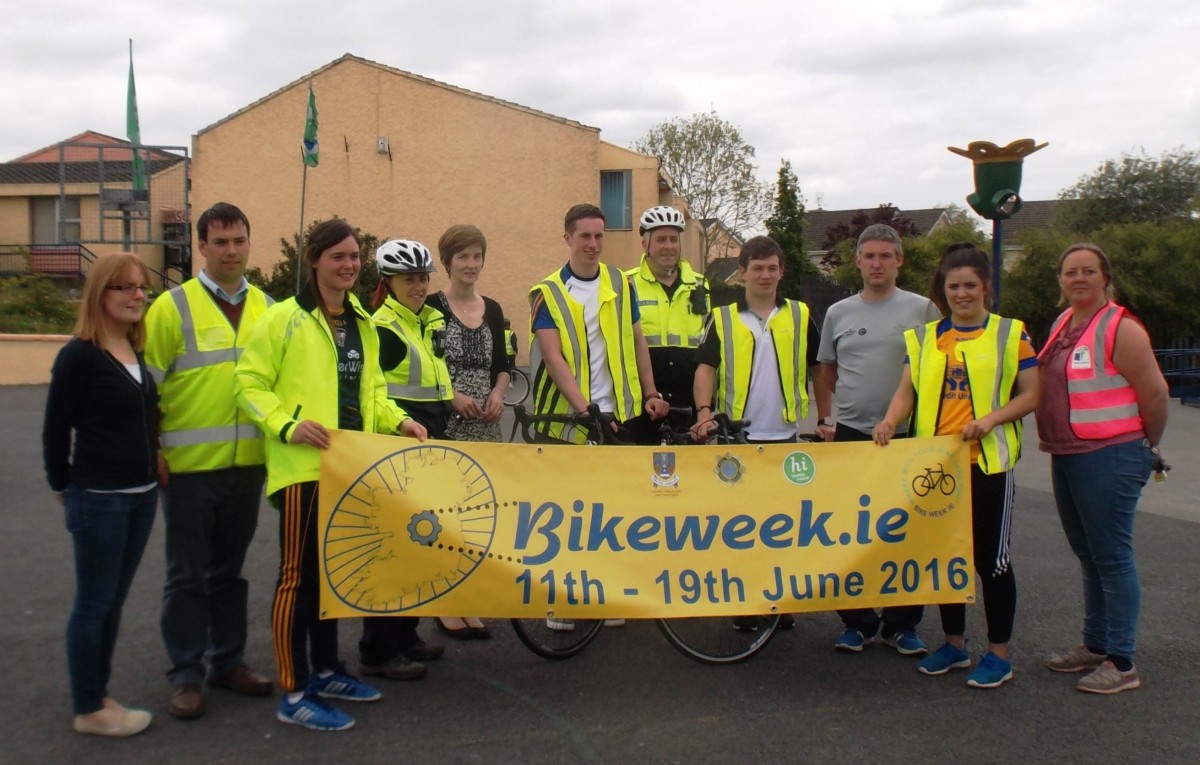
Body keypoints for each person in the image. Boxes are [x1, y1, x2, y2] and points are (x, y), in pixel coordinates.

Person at [235, 219, 428, 731]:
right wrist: (288, 425)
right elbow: (248, 385)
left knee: (328, 579)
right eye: (337, 256)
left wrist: (400, 420)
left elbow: (372, 394)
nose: (348, 265)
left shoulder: (362, 322)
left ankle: (325, 669)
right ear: (314, 259)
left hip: (350, 469)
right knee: (296, 580)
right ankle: (294, 689)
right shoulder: (283, 319)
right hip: (302, 469)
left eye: (354, 258)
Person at [872, 244, 1039, 689]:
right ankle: (954, 644)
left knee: (992, 562)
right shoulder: (925, 337)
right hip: (937, 467)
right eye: (953, 286)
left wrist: (989, 420)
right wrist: (890, 420)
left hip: (987, 466)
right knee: (948, 559)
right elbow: (907, 391)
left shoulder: (1011, 335)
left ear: (985, 287)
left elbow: (1032, 394)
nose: (962, 293)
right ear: (942, 291)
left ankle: (999, 655)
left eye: (970, 285)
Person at [144, 202, 273, 720]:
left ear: (248, 242)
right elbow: (144, 392)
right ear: (201, 246)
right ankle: (186, 674)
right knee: (187, 576)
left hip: (248, 467)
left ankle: (228, 662)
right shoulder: (170, 308)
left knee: (229, 572)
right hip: (189, 469)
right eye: (220, 242)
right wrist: (151, 451)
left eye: (239, 240)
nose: (231, 250)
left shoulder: (268, 307)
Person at [529, 203, 670, 628]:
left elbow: (636, 339)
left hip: (617, 415)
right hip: (569, 421)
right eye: (584, 236)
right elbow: (552, 358)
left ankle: (605, 594)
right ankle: (562, 603)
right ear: (567, 238)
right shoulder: (547, 291)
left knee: (611, 514)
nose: (592, 245)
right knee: (566, 516)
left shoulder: (619, 283)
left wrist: (650, 391)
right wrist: (581, 409)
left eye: (599, 237)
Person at [1037, 243, 1169, 695]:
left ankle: (1122, 660)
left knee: (1112, 557)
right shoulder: (1062, 324)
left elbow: (1154, 393)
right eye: (1070, 271)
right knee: (1089, 555)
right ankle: (1096, 643)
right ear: (1060, 279)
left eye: (1088, 271)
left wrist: (1146, 443)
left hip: (1110, 452)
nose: (1078, 279)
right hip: (1068, 452)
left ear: (1105, 277)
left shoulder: (1121, 328)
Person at [43, 252, 159, 737]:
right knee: (94, 603)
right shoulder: (80, 355)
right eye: (124, 287)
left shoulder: (135, 351)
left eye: (141, 287)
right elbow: (55, 430)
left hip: (141, 494)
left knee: (112, 600)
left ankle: (99, 693)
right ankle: (90, 708)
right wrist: (63, 485)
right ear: (101, 294)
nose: (137, 295)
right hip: (101, 497)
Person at [814, 223, 941, 655]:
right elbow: (827, 373)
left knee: (909, 532)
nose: (877, 264)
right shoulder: (839, 313)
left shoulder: (924, 310)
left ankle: (903, 624)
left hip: (908, 435)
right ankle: (858, 621)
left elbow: (938, 371)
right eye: (869, 256)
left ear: (899, 260)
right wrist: (828, 419)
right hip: (852, 433)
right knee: (851, 531)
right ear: (858, 262)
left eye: (886, 256)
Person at [691, 235, 816, 631]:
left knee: (781, 526)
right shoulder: (723, 317)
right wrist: (704, 413)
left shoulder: (799, 314)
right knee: (741, 528)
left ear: (782, 272)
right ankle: (745, 603)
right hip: (736, 440)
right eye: (757, 268)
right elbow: (705, 370)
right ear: (742, 272)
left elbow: (819, 368)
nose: (765, 275)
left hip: (784, 438)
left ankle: (779, 601)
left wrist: (826, 417)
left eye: (772, 268)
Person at [356, 238, 450, 675]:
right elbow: (374, 393)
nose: (418, 285)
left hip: (429, 439)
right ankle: (377, 649)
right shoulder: (383, 328)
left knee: (418, 544)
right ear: (388, 282)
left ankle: (406, 634)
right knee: (391, 548)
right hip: (397, 444)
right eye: (409, 278)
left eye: (423, 277)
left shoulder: (426, 321)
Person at [425, 224, 510, 639]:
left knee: (478, 516)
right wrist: (451, 394)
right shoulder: (430, 308)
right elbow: (424, 365)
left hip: (486, 428)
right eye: (463, 257)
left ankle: (471, 599)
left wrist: (498, 393)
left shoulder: (493, 309)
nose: (471, 264)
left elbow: (504, 365)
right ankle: (445, 603)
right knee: (446, 516)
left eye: (477, 256)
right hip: (448, 425)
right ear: (447, 262)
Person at [624, 206, 709, 444]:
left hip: (689, 403)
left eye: (674, 239)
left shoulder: (701, 286)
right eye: (660, 239)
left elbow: (709, 346)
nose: (668, 246)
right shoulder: (625, 284)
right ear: (645, 245)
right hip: (643, 403)